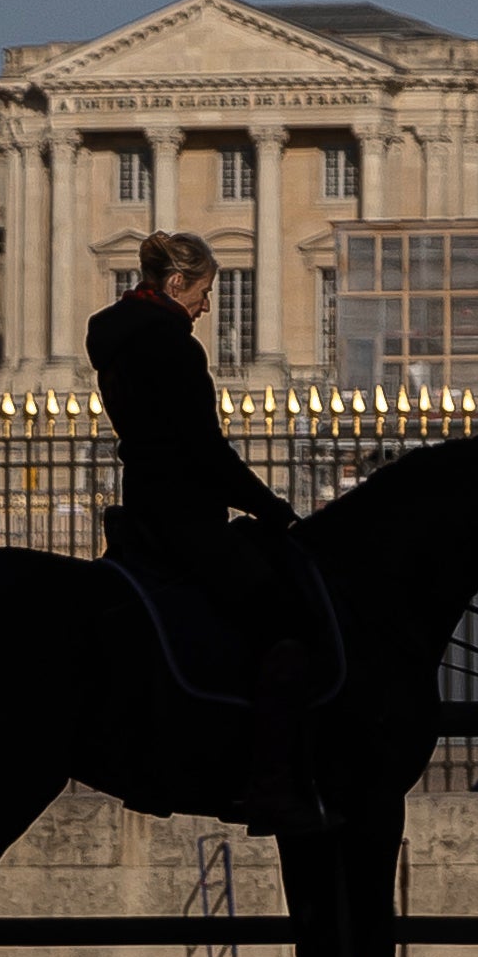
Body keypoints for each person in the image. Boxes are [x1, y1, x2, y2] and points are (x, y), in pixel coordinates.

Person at [89, 231, 325, 835]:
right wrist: (267, 505)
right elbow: (201, 450)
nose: (208, 305)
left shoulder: (115, 338)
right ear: (175, 285)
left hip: (141, 513)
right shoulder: (170, 345)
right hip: (185, 519)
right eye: (204, 290)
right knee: (286, 623)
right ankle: (271, 784)